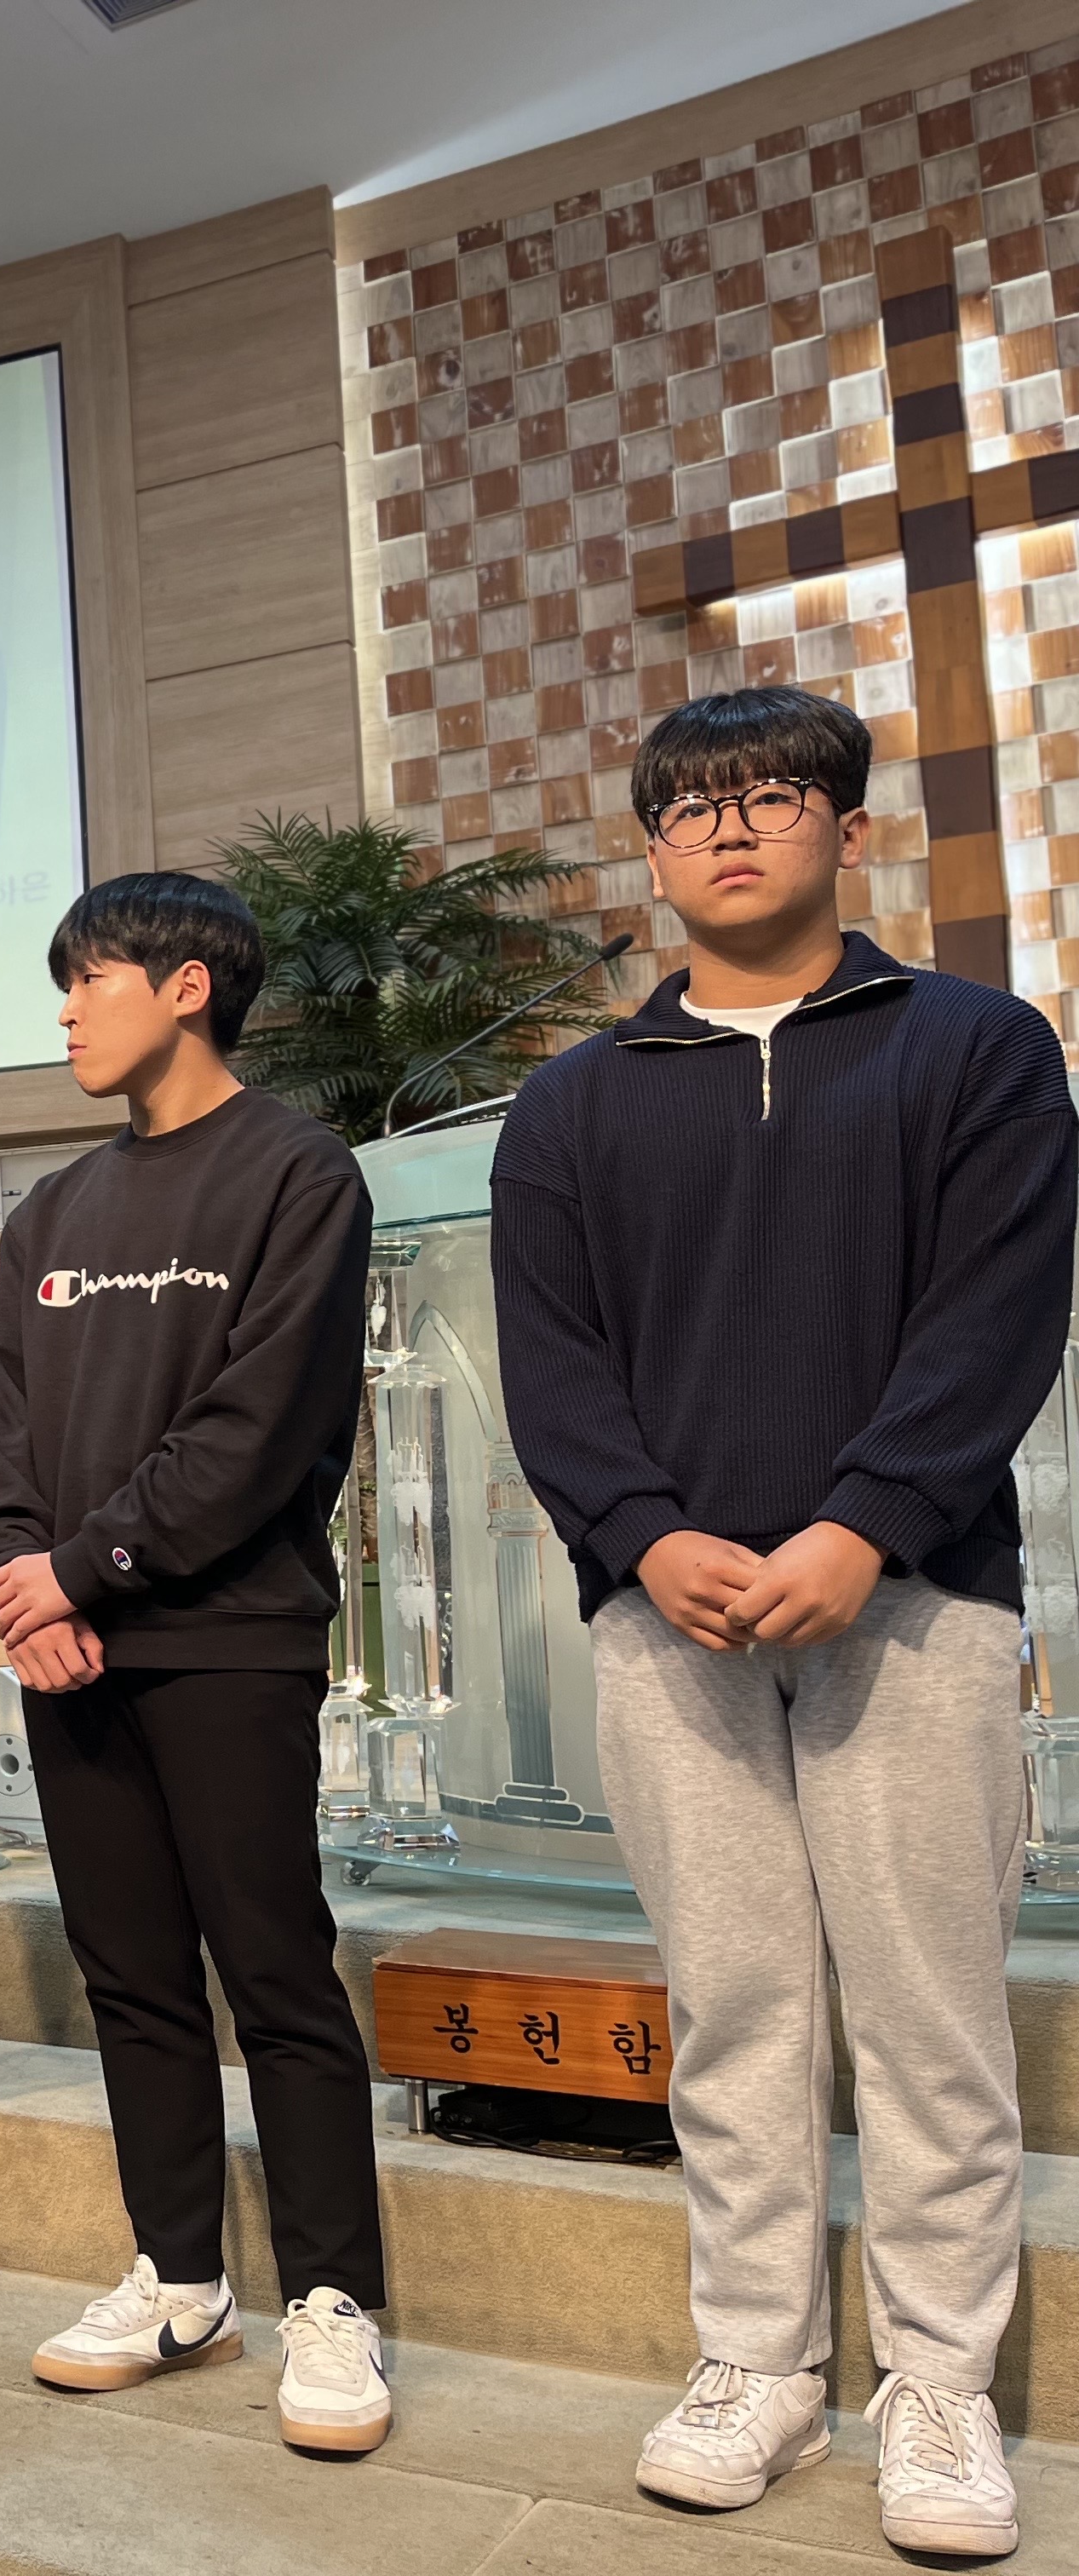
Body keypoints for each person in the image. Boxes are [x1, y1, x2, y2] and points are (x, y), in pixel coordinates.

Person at [492, 687, 1073, 2562]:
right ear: (654, 854)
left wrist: (864, 1521)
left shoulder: (976, 1049)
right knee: (735, 2005)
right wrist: (644, 1535)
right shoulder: (575, 1102)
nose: (731, 829)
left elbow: (997, 1314)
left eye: (771, 796)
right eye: (692, 808)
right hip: (667, 1617)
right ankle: (756, 2356)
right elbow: (553, 1360)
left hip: (914, 1601)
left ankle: (939, 2383)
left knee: (926, 2012)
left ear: (846, 828)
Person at [0, 872, 391, 2456]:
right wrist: (22, 1580)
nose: (66, 1009)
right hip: (70, 1651)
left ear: (188, 984)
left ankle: (333, 2298)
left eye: (90, 978)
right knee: (130, 1975)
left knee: (273, 1969)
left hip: (228, 1636)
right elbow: (1, 1430)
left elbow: (261, 1427)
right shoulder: (54, 1211)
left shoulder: (297, 1173)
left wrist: (80, 1569)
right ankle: (182, 2276)